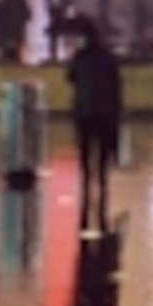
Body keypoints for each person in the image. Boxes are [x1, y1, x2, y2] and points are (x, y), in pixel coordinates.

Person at [67, 17, 123, 232]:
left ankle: (86, 181)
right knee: (103, 150)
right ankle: (102, 181)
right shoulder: (108, 58)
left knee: (85, 148)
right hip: (105, 111)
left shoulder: (80, 57)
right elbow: (116, 85)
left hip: (84, 111)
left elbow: (70, 77)